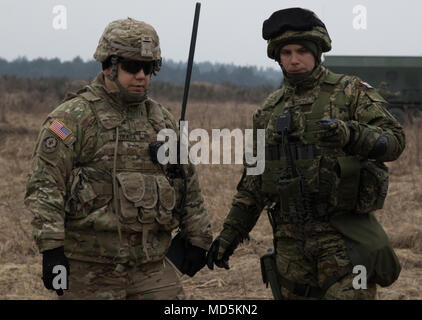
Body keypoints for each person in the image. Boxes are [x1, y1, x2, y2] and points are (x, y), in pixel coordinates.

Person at [207, 8, 405, 300]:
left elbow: (395, 140)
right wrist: (229, 236)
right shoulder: (269, 110)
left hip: (343, 240)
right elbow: (253, 184)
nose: (294, 59)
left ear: (317, 52)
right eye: (286, 52)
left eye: (301, 50)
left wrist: (351, 135)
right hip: (290, 248)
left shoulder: (349, 92)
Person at [24, 18, 212, 300]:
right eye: (132, 67)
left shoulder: (161, 120)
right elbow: (45, 186)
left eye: (148, 69)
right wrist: (52, 251)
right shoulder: (72, 118)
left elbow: (187, 184)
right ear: (109, 66)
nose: (141, 76)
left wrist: (197, 238)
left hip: (151, 267)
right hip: (89, 270)